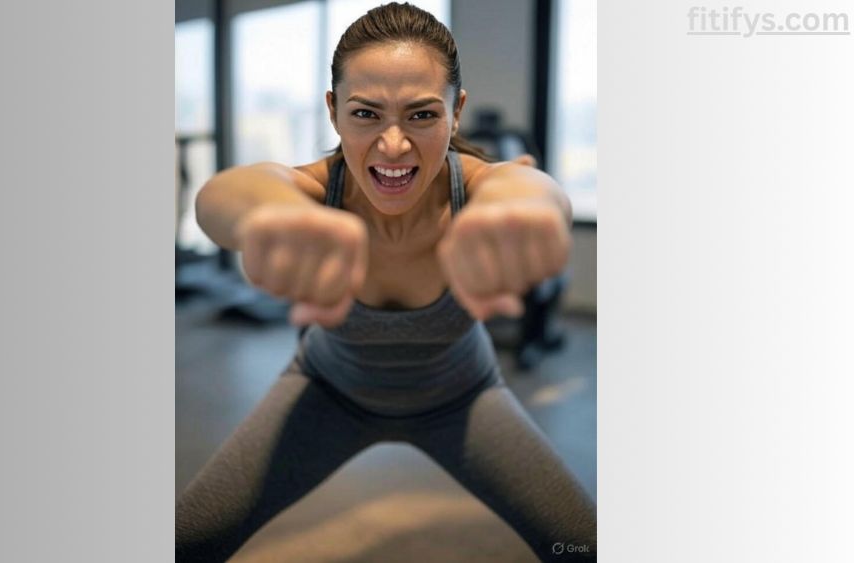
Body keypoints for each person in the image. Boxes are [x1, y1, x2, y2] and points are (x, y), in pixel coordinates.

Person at [177, 3, 596, 561]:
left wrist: (530, 209)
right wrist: (266, 217)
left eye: (422, 116)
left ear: (456, 111)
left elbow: (525, 188)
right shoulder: (313, 191)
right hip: (325, 391)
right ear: (333, 111)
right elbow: (228, 194)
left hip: (465, 397)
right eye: (366, 114)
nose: (393, 144)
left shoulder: (477, 189)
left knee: (584, 547)